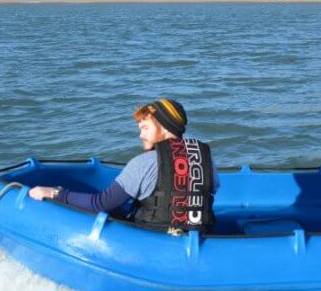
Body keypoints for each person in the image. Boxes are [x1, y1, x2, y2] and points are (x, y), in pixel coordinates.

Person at [28, 99, 218, 234]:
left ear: (165, 127)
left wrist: (55, 193)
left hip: (154, 239)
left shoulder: (144, 163)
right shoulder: (206, 159)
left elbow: (100, 203)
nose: (140, 135)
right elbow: (210, 190)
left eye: (145, 128)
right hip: (197, 234)